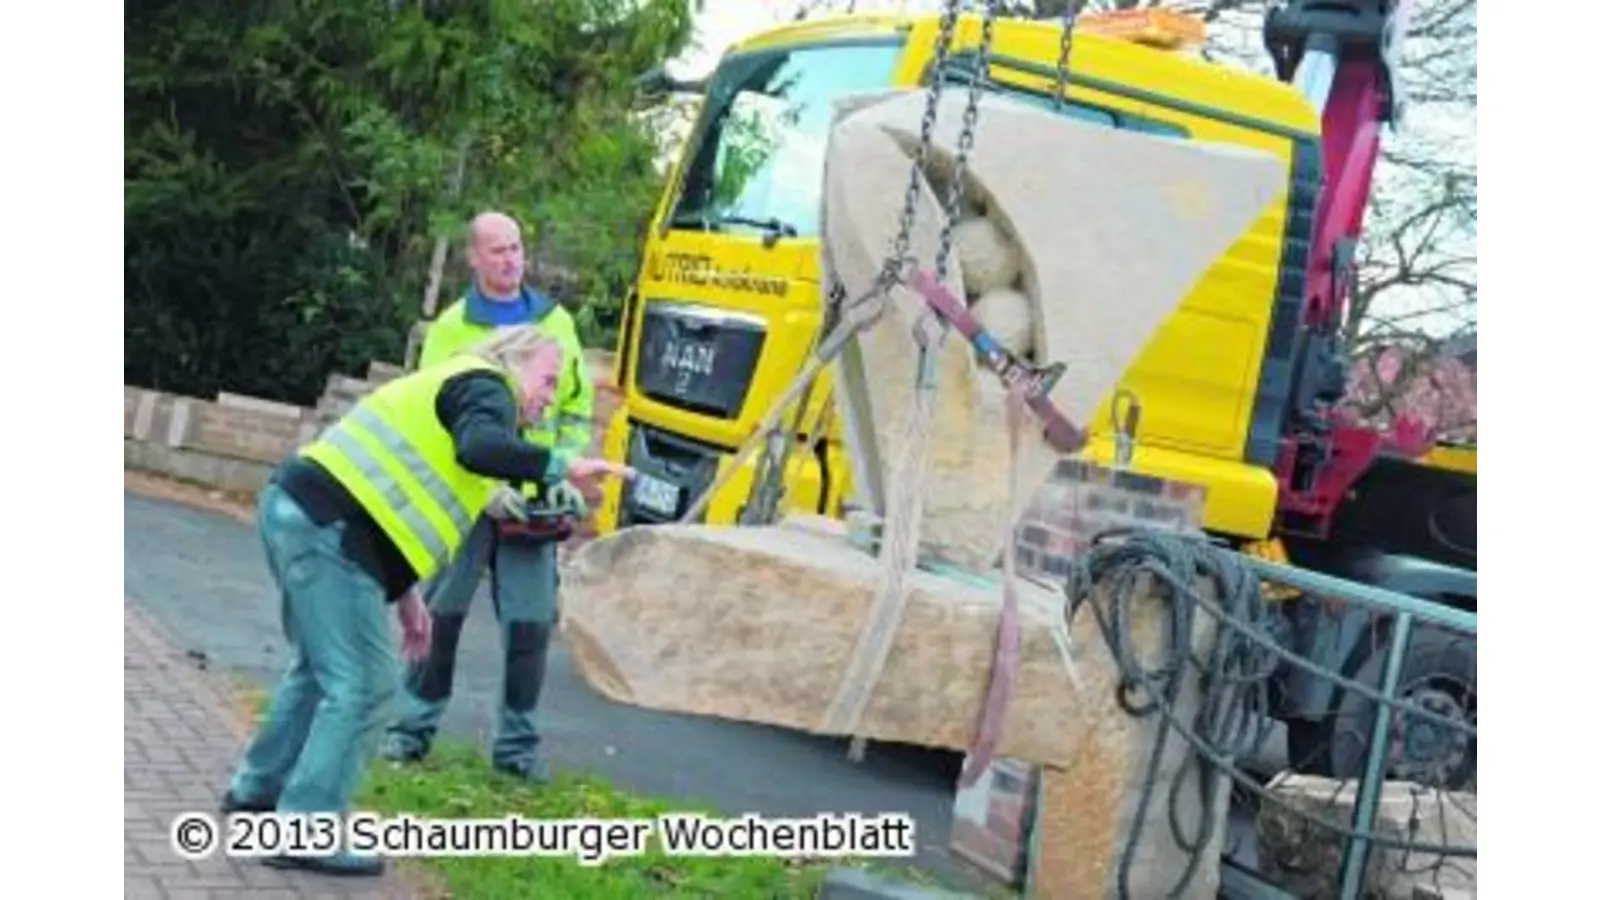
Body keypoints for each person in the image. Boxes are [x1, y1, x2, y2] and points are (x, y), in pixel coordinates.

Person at [218, 324, 631, 877]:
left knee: (321, 669)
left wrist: (409, 598)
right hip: (327, 529)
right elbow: (480, 448)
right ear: (513, 362)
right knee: (365, 682)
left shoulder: (457, 391)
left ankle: (256, 790)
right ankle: (306, 826)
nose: (551, 395)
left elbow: (393, 499)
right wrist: (561, 464)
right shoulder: (488, 390)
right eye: (548, 380)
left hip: (303, 511)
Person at [380, 211, 596, 784]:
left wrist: (563, 478)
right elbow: (436, 415)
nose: (511, 260)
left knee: (529, 626)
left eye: (517, 248)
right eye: (497, 251)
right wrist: (489, 488)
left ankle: (517, 752)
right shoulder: (451, 329)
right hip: (468, 499)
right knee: (440, 615)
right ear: (473, 258)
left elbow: (574, 407)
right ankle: (410, 730)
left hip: (536, 501)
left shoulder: (557, 323)